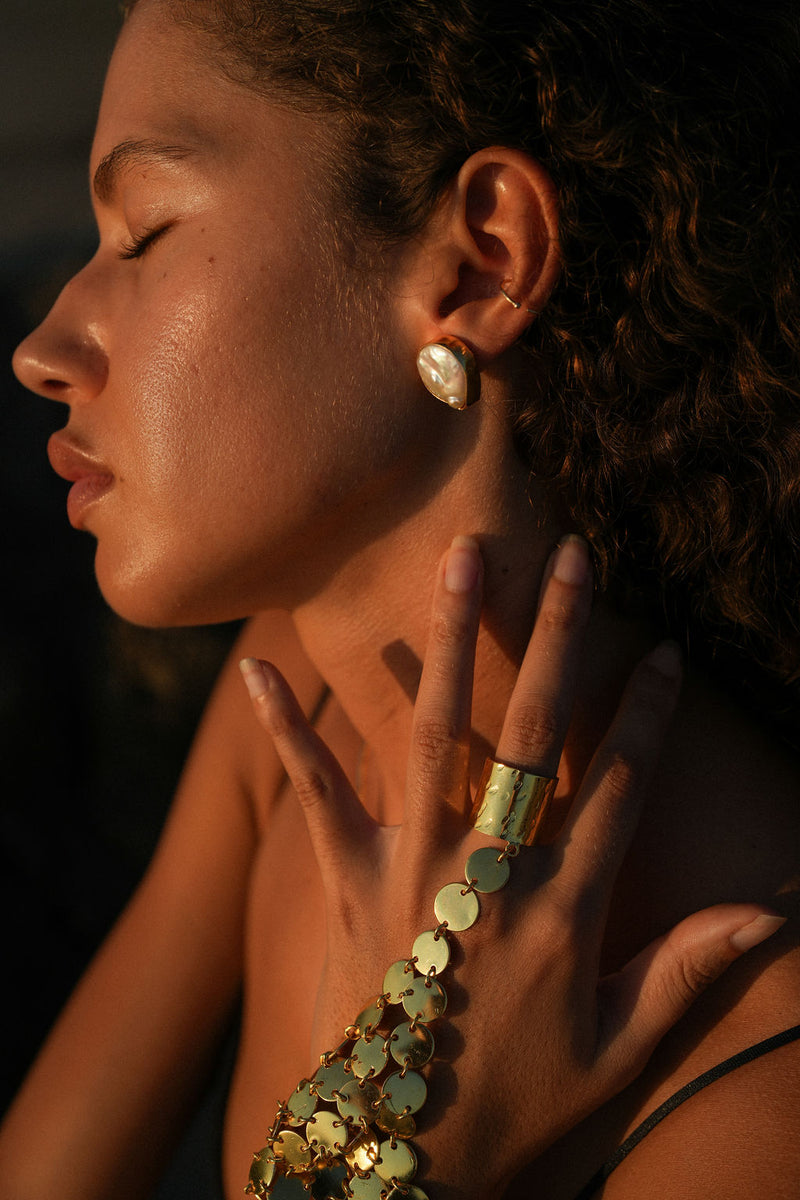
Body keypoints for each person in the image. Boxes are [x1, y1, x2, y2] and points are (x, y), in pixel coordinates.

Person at [3, 0, 799, 1196]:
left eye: (145, 231)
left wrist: (390, 1144)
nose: (43, 347)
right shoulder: (295, 710)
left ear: (481, 262)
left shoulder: (754, 1066)